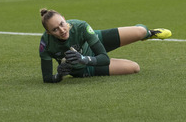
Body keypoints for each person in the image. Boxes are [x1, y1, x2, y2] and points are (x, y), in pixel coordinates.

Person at [39, 8, 172, 83]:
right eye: (55, 29)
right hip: (84, 68)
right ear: (48, 32)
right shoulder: (46, 45)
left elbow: (104, 58)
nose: (62, 30)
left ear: (64, 18)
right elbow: (47, 78)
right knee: (134, 68)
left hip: (95, 41)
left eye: (62, 24)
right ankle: (145, 34)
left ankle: (149, 34)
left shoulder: (80, 26)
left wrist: (84, 58)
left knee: (141, 32)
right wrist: (59, 76)